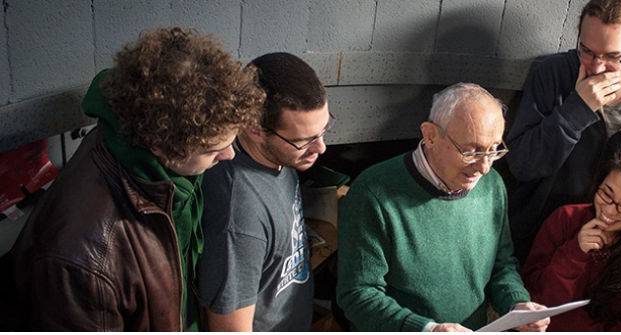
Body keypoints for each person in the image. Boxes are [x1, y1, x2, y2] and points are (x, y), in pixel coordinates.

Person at [8, 27, 265, 331]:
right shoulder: (83, 260)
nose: (229, 156)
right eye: (213, 149)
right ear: (162, 144)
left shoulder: (135, 138)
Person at [336, 83, 549, 332]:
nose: (484, 168)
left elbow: (502, 265)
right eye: (471, 151)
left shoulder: (492, 185)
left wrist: (517, 304)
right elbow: (357, 295)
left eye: (494, 150)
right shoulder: (373, 192)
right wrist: (427, 329)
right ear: (430, 136)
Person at [506, 0, 621, 263]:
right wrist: (576, 111)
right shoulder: (552, 75)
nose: (597, 67)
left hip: (609, 259)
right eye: (587, 51)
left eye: (613, 57)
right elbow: (521, 165)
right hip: (536, 243)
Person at [197, 52, 332, 331]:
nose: (321, 148)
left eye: (324, 130)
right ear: (255, 129)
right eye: (304, 140)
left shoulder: (282, 156)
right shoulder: (239, 215)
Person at [523, 146, 621, 331]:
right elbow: (534, 302)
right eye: (606, 194)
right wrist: (574, 254)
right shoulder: (566, 219)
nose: (609, 211)